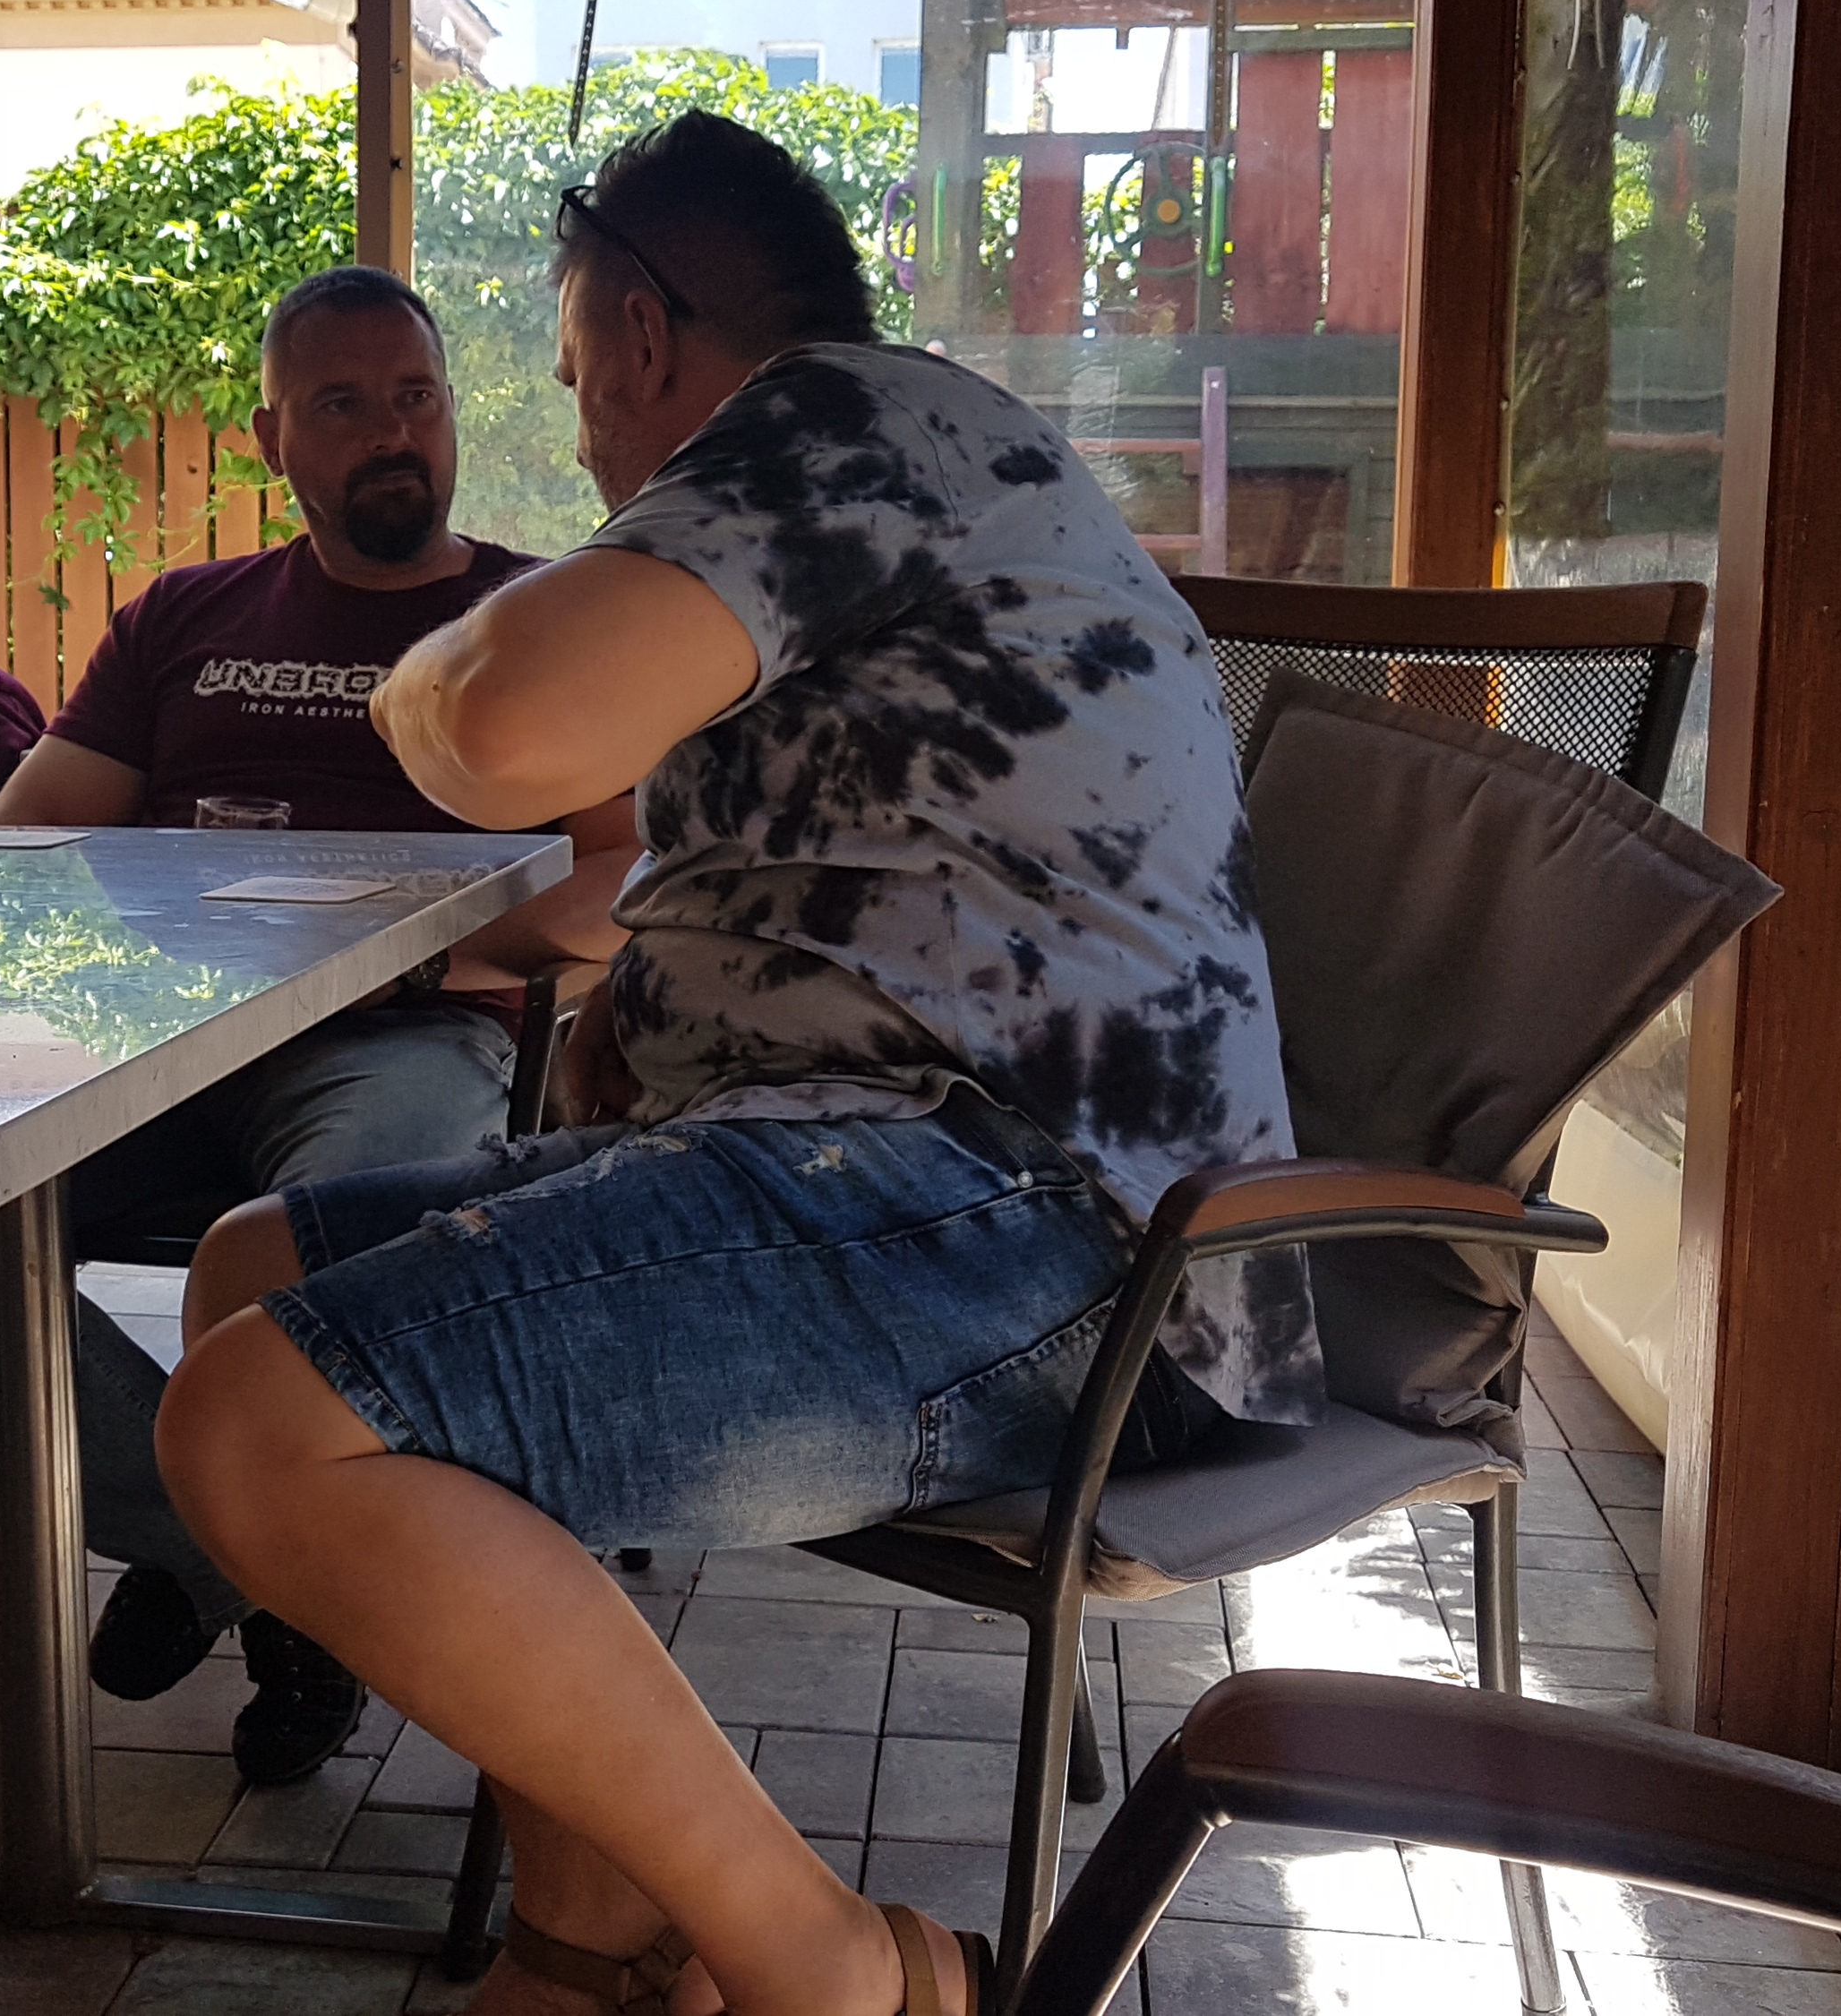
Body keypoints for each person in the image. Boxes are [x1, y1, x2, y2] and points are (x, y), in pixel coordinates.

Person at [151, 113, 1304, 2016]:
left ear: (640, 334)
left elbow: (505, 725)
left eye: (568, 378)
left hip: (1059, 1241)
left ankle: (841, 1970)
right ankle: (592, 1940)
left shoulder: (848, 422)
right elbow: (883, 857)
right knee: (253, 1271)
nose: (585, 442)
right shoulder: (910, 485)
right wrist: (656, 1002)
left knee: (261, 1420)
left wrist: (412, 675)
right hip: (920, 1185)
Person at [0, 264, 641, 1789]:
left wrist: (438, 955)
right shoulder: (184, 619)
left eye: (416, 396)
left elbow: (627, 875)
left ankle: (236, 1552)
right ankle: (239, 1557)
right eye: (344, 403)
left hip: (403, 1036)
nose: (393, 431)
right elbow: (24, 847)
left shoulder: (533, 626)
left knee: (338, 1246)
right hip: (145, 1034)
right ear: (274, 438)